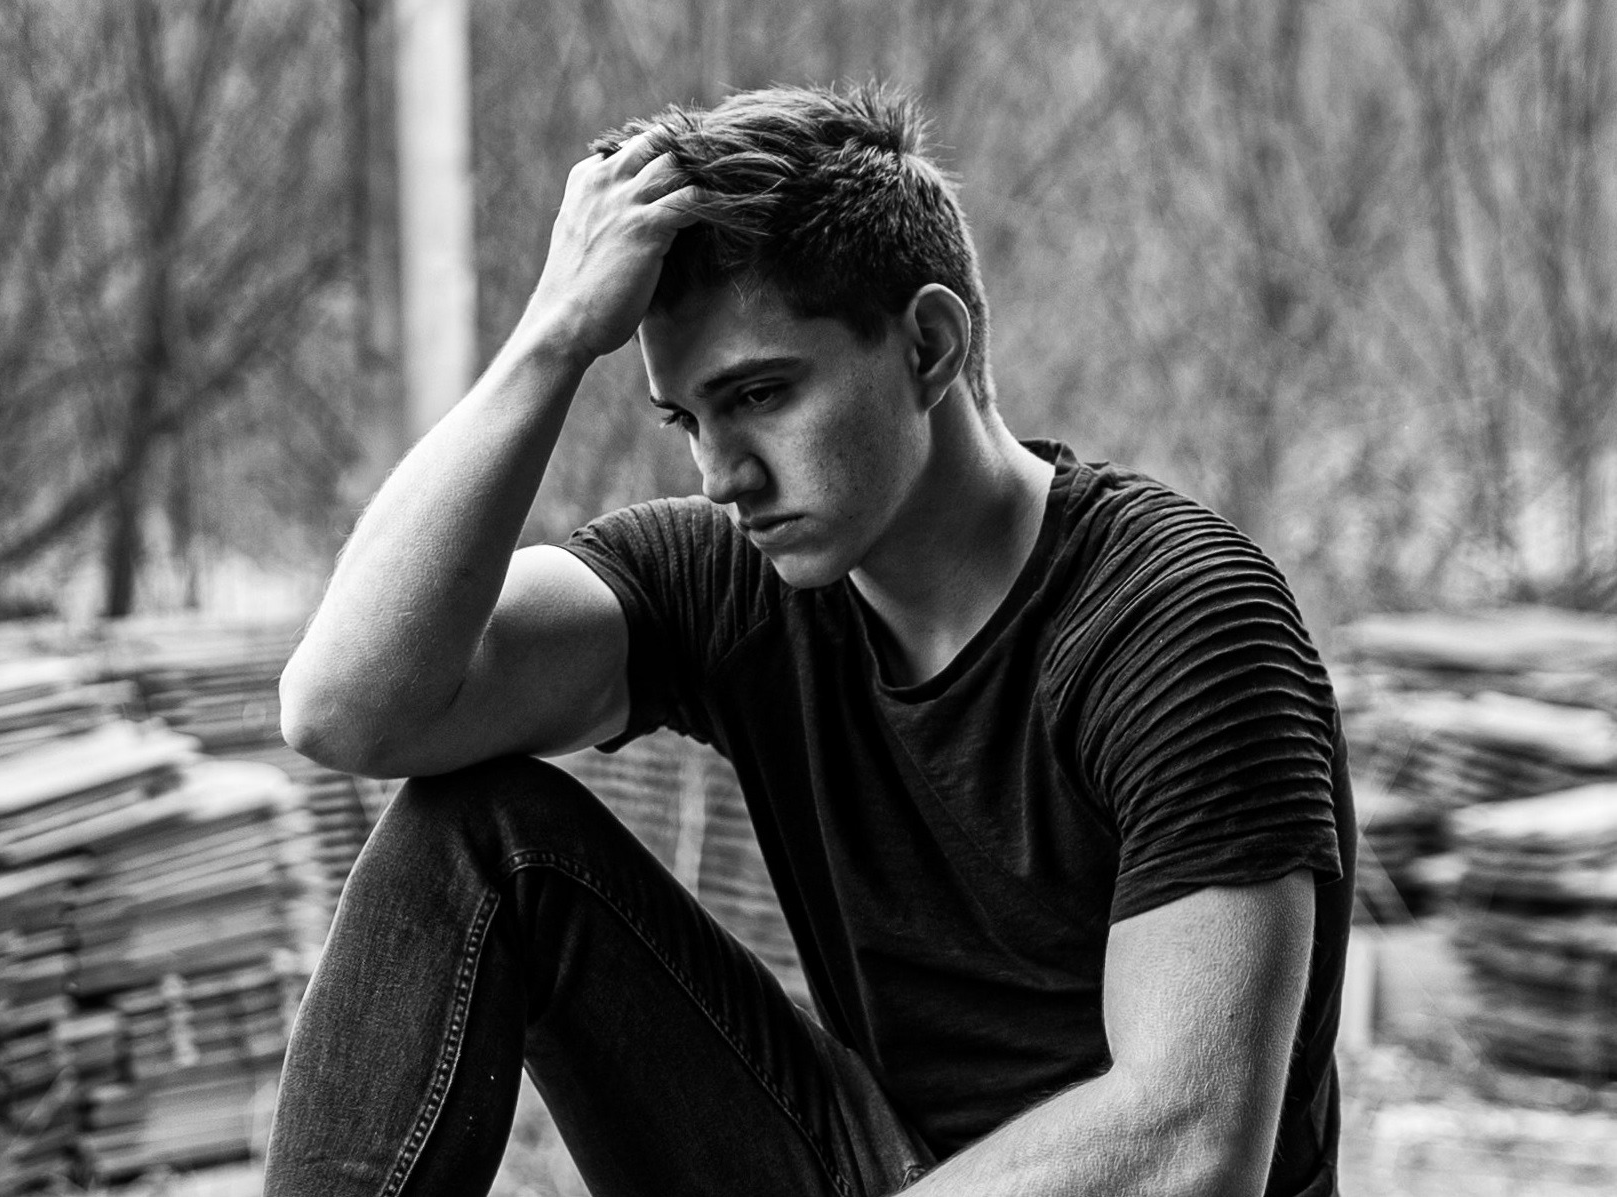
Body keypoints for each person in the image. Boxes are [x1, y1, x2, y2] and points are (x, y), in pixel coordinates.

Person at [265, 82, 1355, 1197]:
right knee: (475, 831)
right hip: (871, 1166)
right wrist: (553, 339)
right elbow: (350, 710)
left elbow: (1187, 1141)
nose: (720, 474)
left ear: (928, 346)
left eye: (760, 394)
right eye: (688, 418)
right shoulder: (739, 581)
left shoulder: (1180, 621)